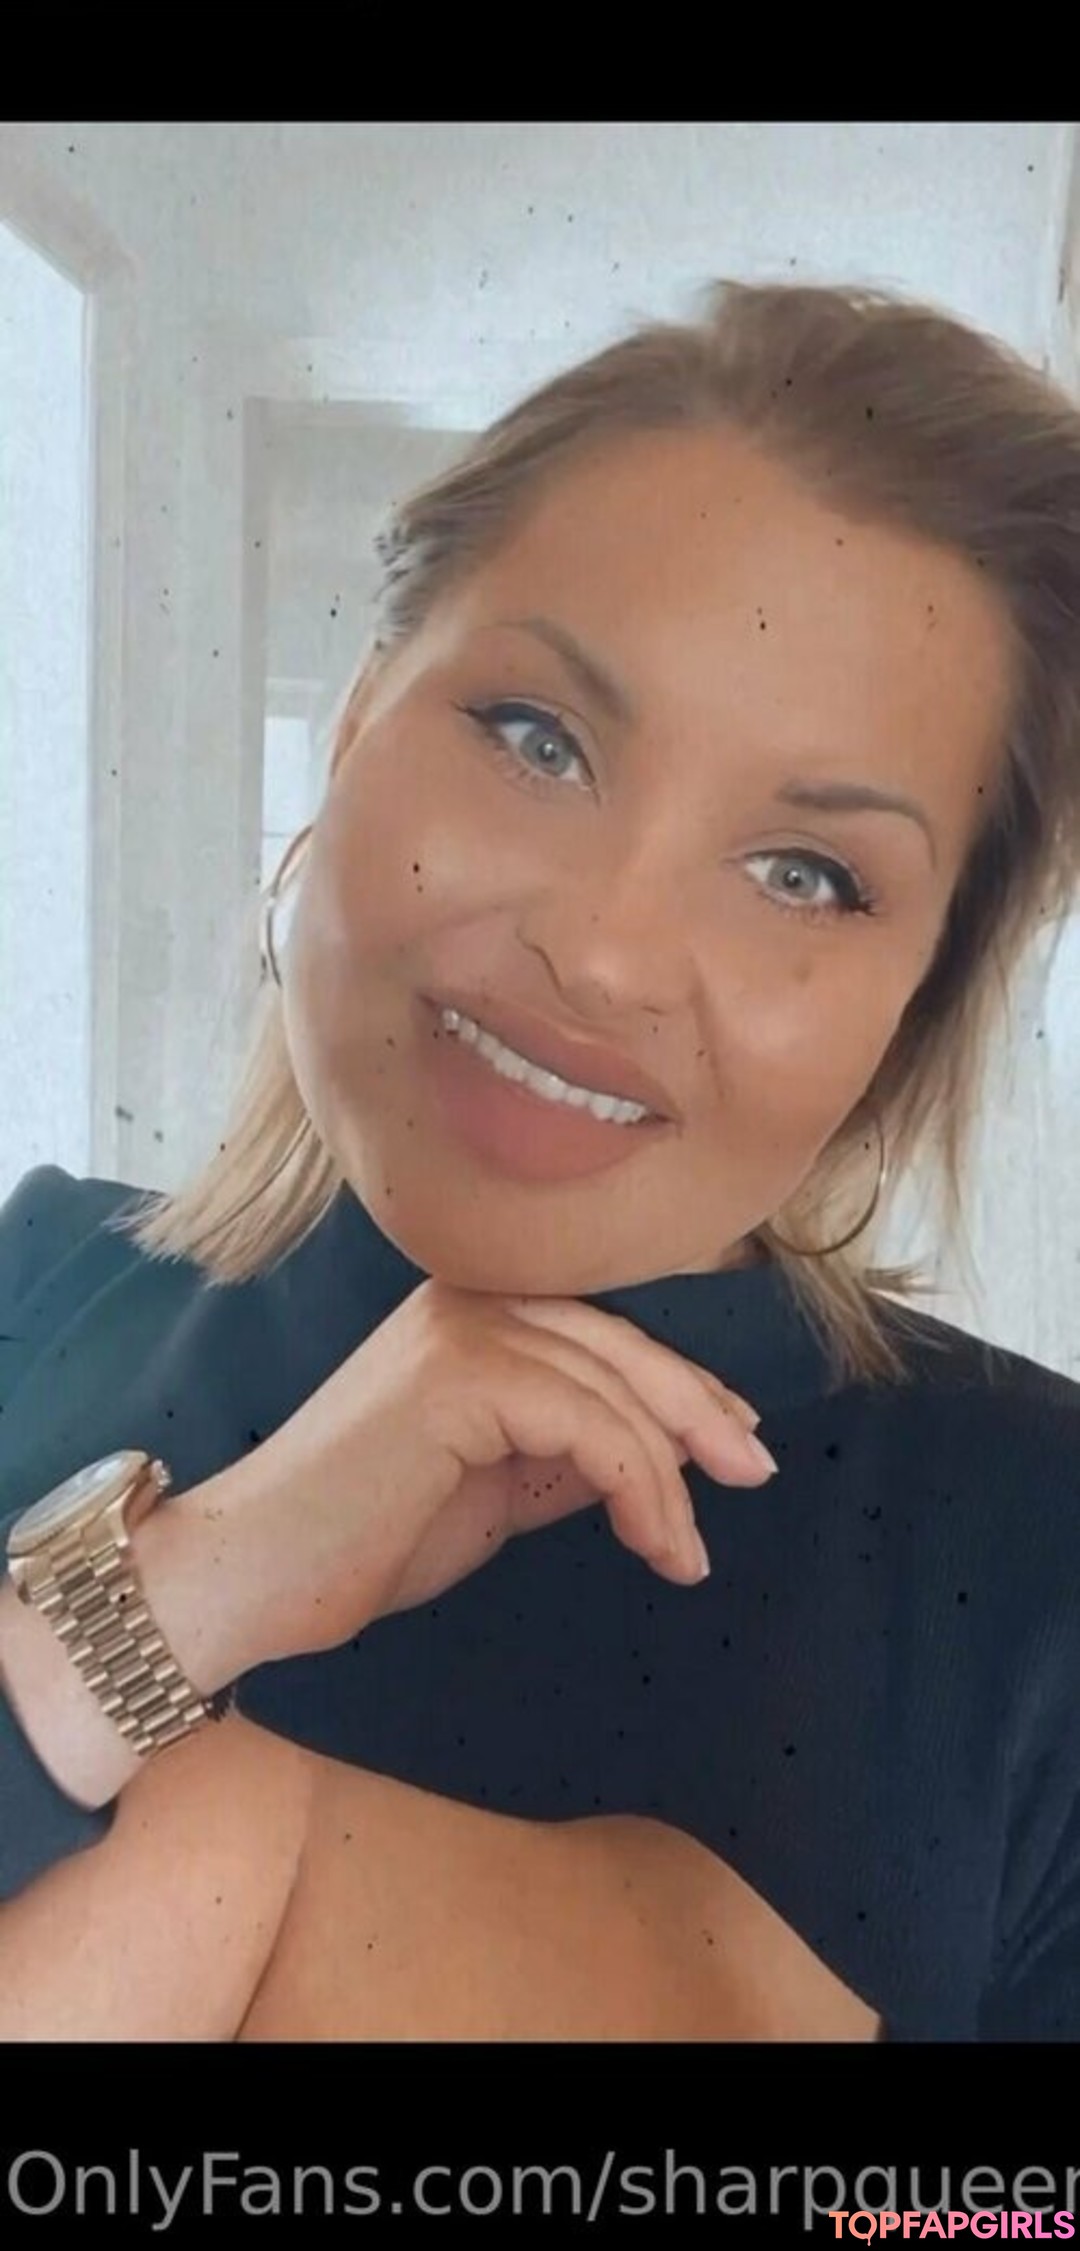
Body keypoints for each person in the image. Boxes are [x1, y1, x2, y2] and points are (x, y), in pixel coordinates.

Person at [1, 277, 1080, 2042]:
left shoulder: (1039, 1562)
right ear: (359, 717)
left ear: (912, 1012)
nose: (606, 952)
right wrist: (187, 1591)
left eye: (806, 874)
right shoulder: (41, 1283)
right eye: (538, 740)